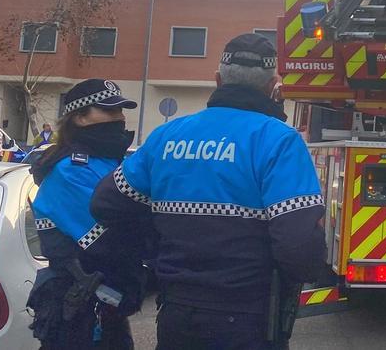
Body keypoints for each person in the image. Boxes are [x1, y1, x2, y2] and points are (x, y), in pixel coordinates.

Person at [91, 33, 325, 350]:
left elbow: (106, 203)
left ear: (217, 80)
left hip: (175, 313)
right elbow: (298, 248)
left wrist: (159, 242)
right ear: (273, 87)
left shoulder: (166, 136)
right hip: (248, 317)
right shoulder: (279, 140)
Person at [26, 79, 147, 349]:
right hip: (79, 311)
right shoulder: (70, 170)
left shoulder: (110, 161)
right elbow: (111, 240)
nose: (119, 118)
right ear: (79, 117)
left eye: (120, 111)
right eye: (109, 111)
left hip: (106, 306)